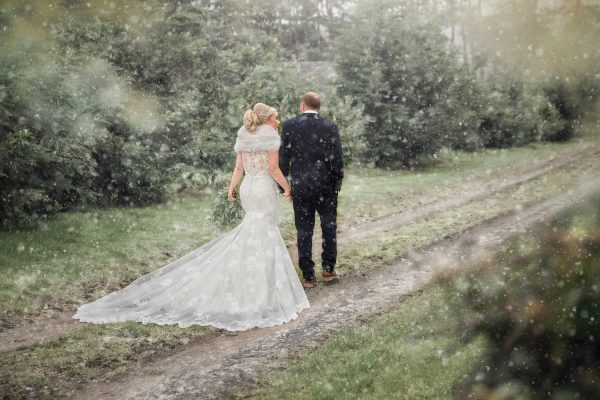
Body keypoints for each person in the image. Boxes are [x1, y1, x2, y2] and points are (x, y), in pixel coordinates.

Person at [73, 103, 310, 331]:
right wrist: (287, 188)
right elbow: (273, 168)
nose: (278, 121)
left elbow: (238, 168)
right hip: (262, 189)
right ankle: (260, 295)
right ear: (267, 118)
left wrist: (232, 190)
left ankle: (253, 289)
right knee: (264, 234)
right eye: (275, 116)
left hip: (248, 188)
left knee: (252, 233)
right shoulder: (269, 135)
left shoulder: (244, 135)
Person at [280, 92, 344, 288]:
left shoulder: (290, 125)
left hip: (301, 186)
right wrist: (336, 184)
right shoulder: (329, 126)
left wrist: (284, 186)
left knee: (304, 230)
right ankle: (328, 269)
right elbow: (337, 159)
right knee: (329, 228)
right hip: (325, 186)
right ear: (318, 107)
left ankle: (308, 276)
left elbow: (283, 157)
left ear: (302, 105)